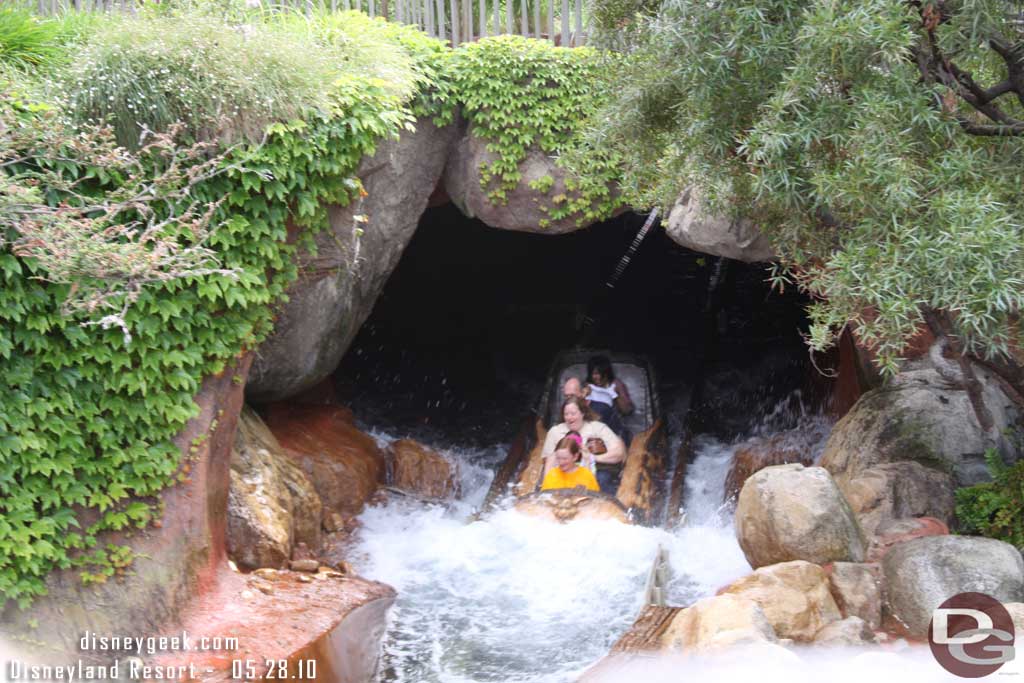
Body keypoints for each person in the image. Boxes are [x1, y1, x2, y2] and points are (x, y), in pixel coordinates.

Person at [542, 396, 625, 493]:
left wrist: (592, 458)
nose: (569, 417)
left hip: (595, 473)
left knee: (603, 478)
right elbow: (548, 461)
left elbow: (619, 453)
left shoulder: (597, 428)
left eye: (573, 414)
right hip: (563, 474)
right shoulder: (555, 432)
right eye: (566, 414)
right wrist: (547, 487)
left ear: (583, 413)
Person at [585, 356, 634, 443]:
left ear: (607, 373)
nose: (599, 377)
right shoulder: (588, 386)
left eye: (602, 374)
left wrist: (615, 395)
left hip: (613, 429)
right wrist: (584, 395)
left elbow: (627, 410)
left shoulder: (616, 385)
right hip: (593, 429)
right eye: (595, 374)